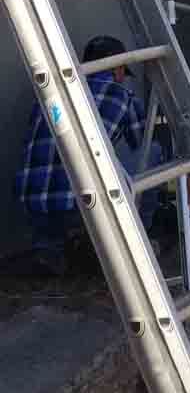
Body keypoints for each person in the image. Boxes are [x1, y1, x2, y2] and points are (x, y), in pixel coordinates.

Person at [14, 35, 163, 276]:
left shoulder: (51, 93)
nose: (123, 78)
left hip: (32, 207)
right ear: (117, 69)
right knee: (153, 151)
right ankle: (139, 243)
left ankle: (50, 248)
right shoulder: (123, 96)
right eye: (124, 72)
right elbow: (141, 147)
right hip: (82, 207)